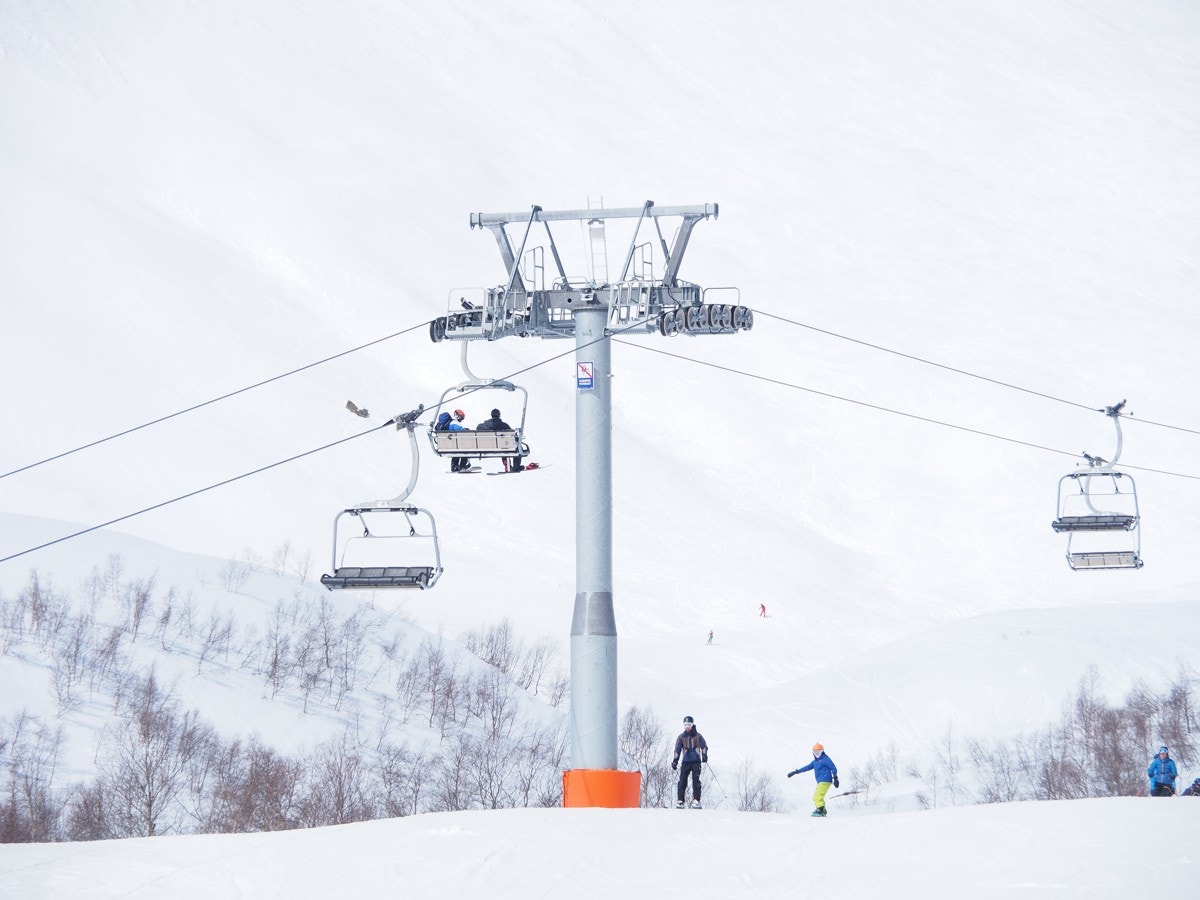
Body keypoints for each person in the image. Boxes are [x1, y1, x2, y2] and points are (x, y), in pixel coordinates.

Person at [788, 742, 838, 817]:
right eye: (815, 752)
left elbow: (833, 767)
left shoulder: (825, 759)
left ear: (822, 751)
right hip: (821, 781)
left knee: (817, 796)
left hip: (825, 780)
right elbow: (807, 767)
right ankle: (822, 810)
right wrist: (796, 771)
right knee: (817, 796)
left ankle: (820, 810)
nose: (816, 754)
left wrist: (835, 778)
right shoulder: (815, 762)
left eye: (818, 752)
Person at [671, 715, 708, 808]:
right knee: (682, 780)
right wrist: (675, 761)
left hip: (696, 762)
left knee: (696, 781)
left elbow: (704, 746)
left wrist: (704, 755)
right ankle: (680, 801)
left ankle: (696, 800)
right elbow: (677, 749)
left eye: (689, 724)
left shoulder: (698, 736)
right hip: (686, 762)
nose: (687, 727)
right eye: (685, 725)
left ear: (692, 724)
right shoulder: (681, 737)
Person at [476, 408, 523, 472]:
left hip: (487, 447)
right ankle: (516, 466)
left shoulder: (483, 425)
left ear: (491, 415)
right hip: (501, 447)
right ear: (499, 415)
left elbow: (478, 428)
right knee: (509, 445)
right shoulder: (504, 425)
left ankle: (507, 464)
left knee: (502, 445)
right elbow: (512, 436)